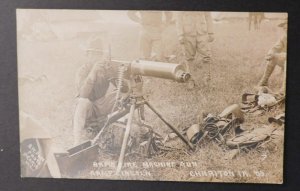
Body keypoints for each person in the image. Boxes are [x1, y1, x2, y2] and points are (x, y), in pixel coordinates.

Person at [73, 36, 118, 145]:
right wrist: (93, 72)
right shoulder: (82, 71)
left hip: (102, 104)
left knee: (123, 95)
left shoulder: (104, 69)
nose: (95, 57)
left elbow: (121, 86)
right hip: (89, 108)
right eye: (92, 54)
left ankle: (122, 130)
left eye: (98, 54)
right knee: (83, 102)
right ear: (87, 55)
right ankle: (76, 141)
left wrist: (114, 72)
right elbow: (83, 94)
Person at [257, 21, 287, 94]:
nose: (286, 30)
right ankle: (263, 82)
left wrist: (277, 55)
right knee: (272, 58)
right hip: (285, 58)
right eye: (284, 28)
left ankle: (284, 88)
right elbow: (275, 48)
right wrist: (270, 54)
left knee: (286, 62)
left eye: (288, 28)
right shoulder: (284, 37)